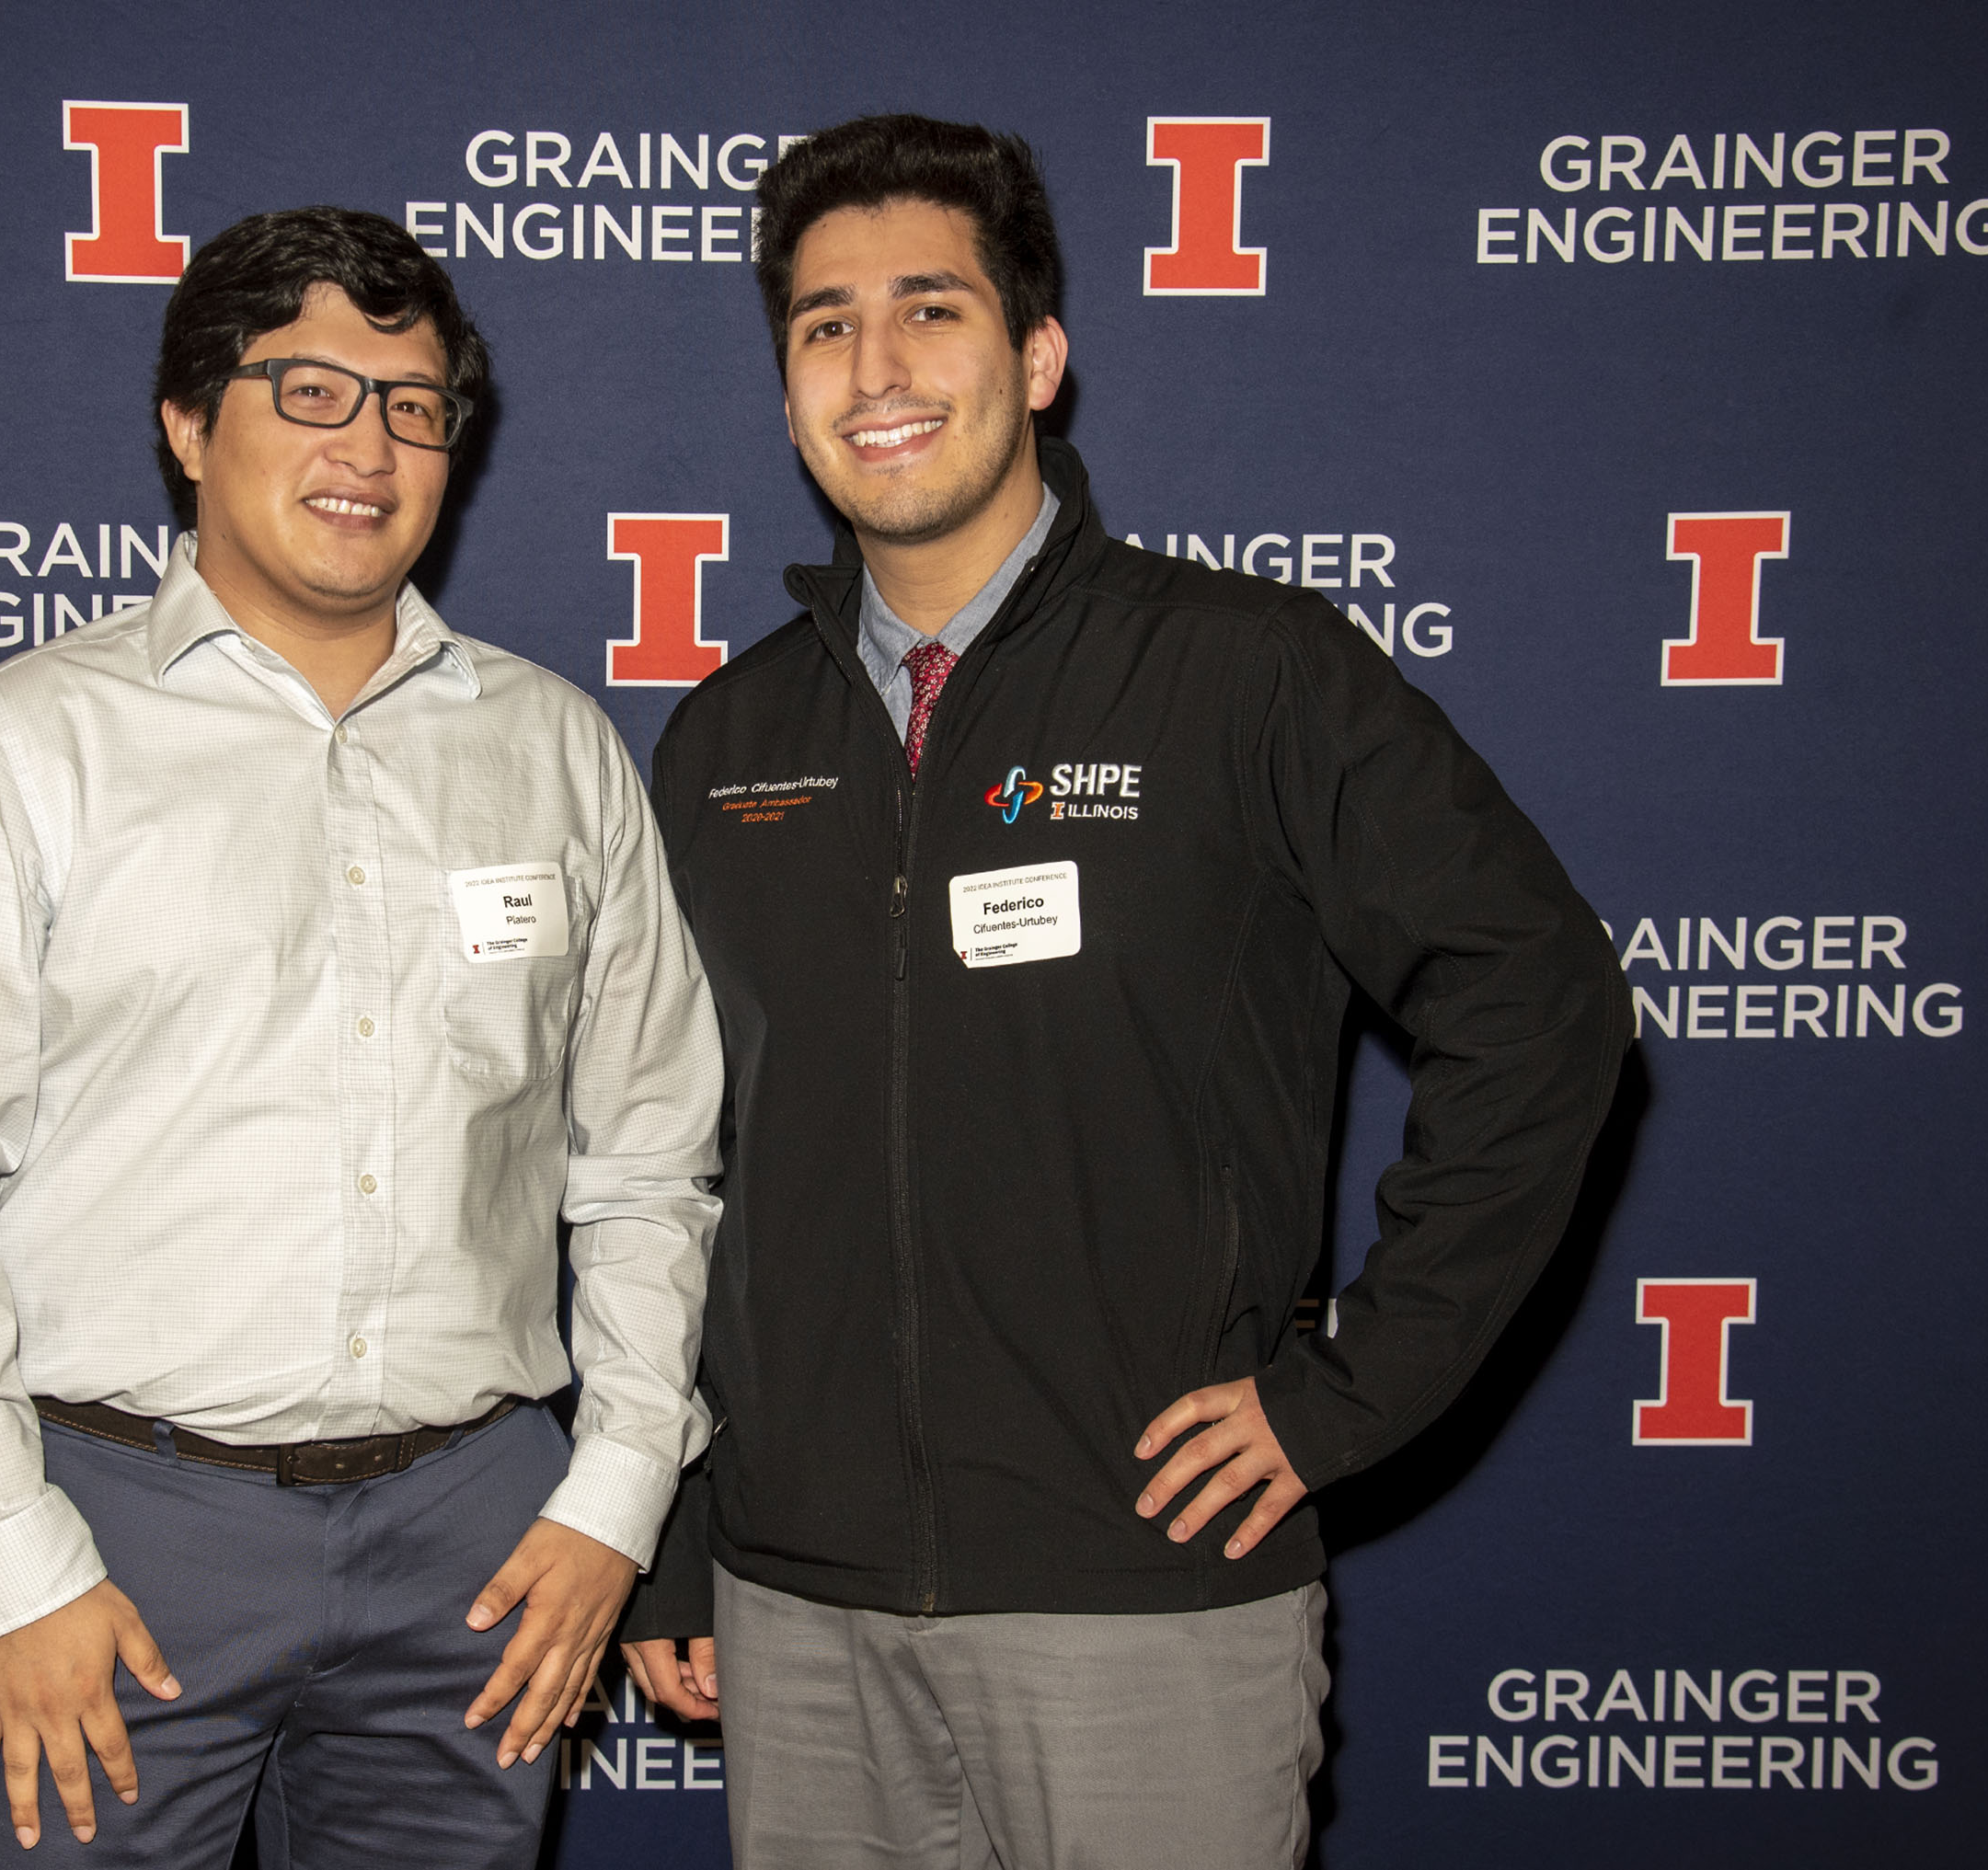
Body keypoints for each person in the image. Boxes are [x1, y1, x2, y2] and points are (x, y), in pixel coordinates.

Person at [618, 116, 1627, 1868]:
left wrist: (1346, 1394)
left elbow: (1540, 1001)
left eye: (931, 309)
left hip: (1147, 1602)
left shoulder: (1248, 673)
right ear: (787, 391)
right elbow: (675, 1164)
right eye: (823, 324)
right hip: (795, 1613)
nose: (877, 366)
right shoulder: (725, 741)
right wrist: (687, 1520)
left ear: (1038, 357)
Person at [0, 205, 724, 1868]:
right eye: (308, 390)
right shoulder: (14, 753)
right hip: (117, 1537)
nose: (366, 445)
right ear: (187, 424)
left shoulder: (560, 753)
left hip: (480, 1550)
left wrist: (615, 1493)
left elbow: (648, 1165)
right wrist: (11, 1555)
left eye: (414, 404)